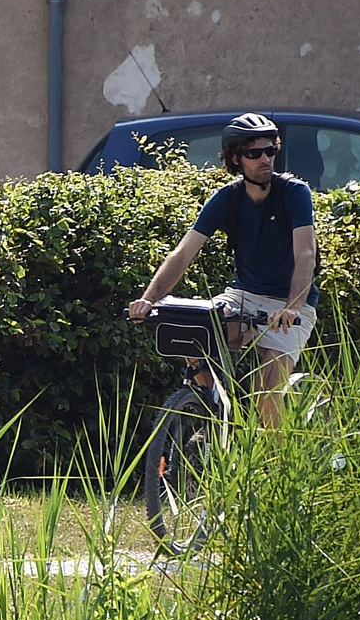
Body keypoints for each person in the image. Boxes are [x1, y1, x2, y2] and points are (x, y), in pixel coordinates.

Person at [125, 113, 318, 426]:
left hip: (289, 306)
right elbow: (183, 253)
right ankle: (215, 411)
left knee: (265, 393)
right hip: (242, 295)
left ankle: (278, 466)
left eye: (270, 151)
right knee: (191, 330)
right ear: (235, 159)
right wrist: (148, 299)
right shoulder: (227, 198)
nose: (265, 159)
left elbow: (306, 253)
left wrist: (292, 307)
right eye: (254, 153)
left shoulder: (294, 193)